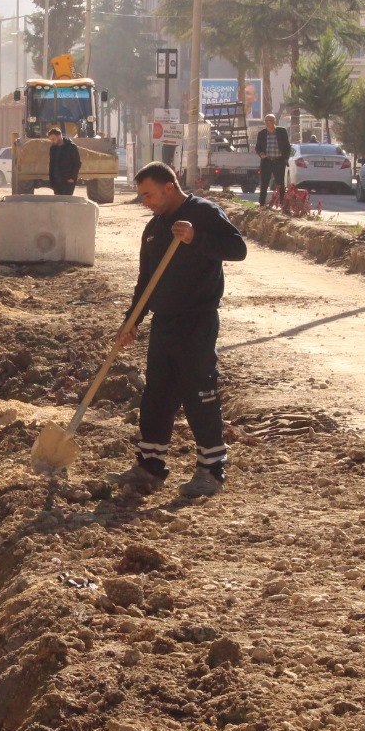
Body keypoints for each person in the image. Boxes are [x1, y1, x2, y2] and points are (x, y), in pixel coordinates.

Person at [116, 162, 248, 498]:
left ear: (169, 187)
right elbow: (146, 281)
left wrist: (195, 238)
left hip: (197, 321)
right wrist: (132, 321)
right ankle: (150, 466)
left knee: (198, 394)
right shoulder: (154, 228)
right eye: (142, 196)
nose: (145, 201)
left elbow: (237, 249)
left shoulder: (203, 213)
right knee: (157, 395)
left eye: (149, 194)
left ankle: (211, 470)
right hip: (165, 323)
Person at [254, 117, 291, 206]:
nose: (267, 123)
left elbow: (287, 147)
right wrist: (261, 153)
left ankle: (283, 204)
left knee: (280, 184)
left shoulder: (282, 131)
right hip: (266, 161)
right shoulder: (262, 133)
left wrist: (285, 158)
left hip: (279, 161)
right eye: (266, 121)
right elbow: (257, 147)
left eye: (270, 121)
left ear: (274, 121)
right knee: (264, 184)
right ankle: (262, 204)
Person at [46, 126, 82, 196]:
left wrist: (72, 178)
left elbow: (77, 163)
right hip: (56, 182)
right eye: (51, 140)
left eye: (53, 139)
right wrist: (52, 181)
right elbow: (52, 164)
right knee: (58, 203)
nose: (52, 141)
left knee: (66, 203)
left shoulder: (71, 147)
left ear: (59, 136)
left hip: (68, 181)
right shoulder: (53, 148)